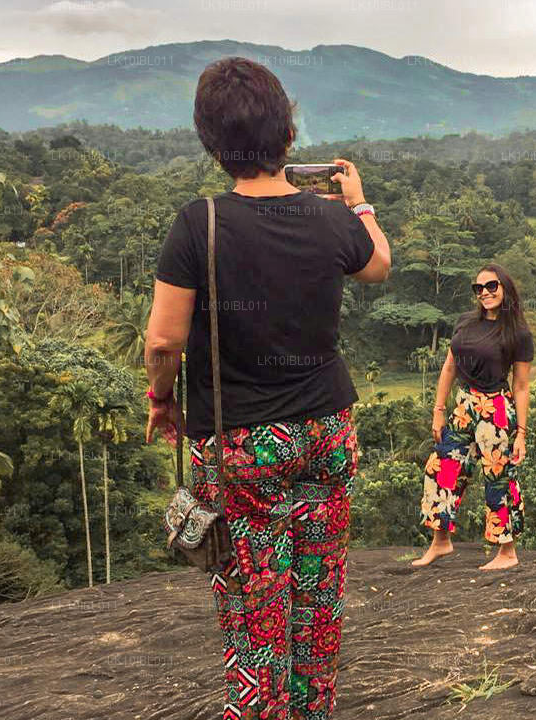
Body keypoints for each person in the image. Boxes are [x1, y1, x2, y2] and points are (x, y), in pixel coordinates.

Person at [143, 57, 391, 720]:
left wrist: (162, 402)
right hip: (327, 431)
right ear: (286, 134)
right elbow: (379, 264)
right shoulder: (329, 218)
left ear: (213, 144)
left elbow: (164, 343)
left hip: (240, 450)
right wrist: (357, 201)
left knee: (258, 610)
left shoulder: (200, 224)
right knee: (319, 597)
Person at [412, 264, 532, 571]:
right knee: (442, 469)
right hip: (464, 405)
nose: (485, 293)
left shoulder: (517, 332)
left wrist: (521, 433)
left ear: (505, 288)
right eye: (478, 288)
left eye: (491, 286)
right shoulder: (465, 322)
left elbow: (520, 385)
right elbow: (450, 367)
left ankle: (507, 551)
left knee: (498, 478)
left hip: (497, 410)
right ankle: (441, 541)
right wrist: (438, 412)